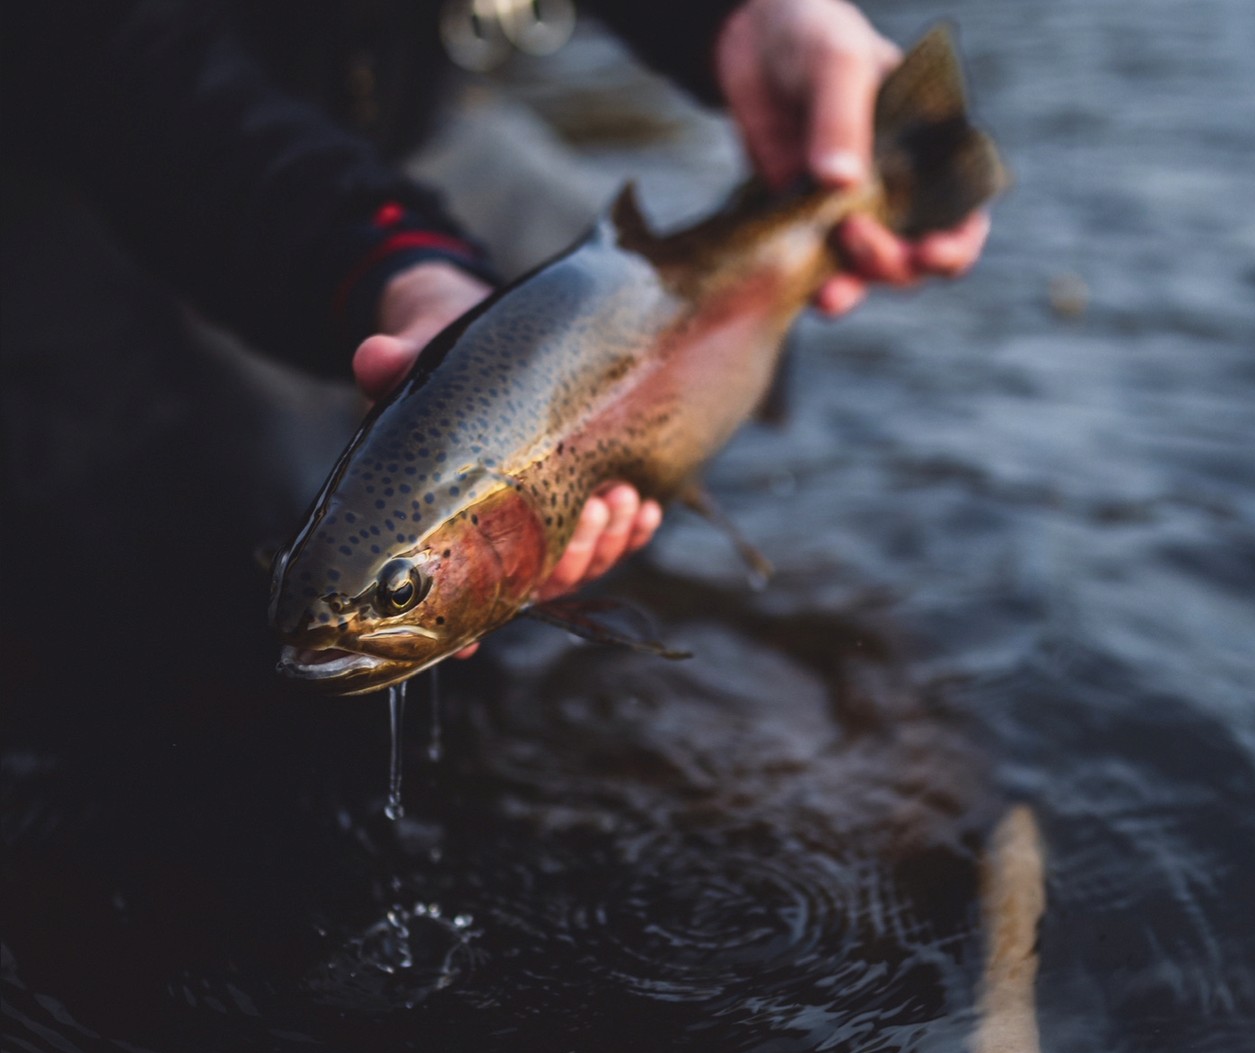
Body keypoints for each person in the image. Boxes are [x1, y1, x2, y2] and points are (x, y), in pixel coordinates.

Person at [1, 0, 988, 649]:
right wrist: (396, 261)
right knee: (150, 575)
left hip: (408, 112)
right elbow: (124, 69)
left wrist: (738, 20)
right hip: (99, 162)